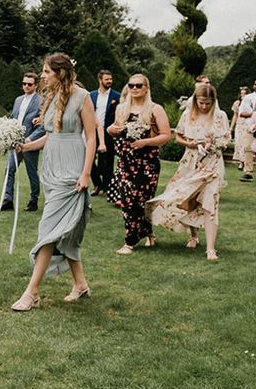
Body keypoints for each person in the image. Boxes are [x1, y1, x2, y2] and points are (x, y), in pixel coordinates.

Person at [10, 53, 97, 311]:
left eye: (46, 72)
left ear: (60, 72)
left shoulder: (82, 98)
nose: (42, 76)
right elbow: (50, 136)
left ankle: (32, 292)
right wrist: (25, 146)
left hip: (72, 171)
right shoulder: (48, 99)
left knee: (48, 230)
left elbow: (91, 138)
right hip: (51, 168)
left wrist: (85, 174)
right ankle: (80, 285)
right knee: (64, 230)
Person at [146, 84, 230, 261]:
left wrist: (213, 144)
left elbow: (226, 139)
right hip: (191, 162)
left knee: (210, 202)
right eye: (201, 103)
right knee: (189, 199)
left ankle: (210, 248)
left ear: (214, 102)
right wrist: (191, 144)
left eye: (208, 103)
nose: (204, 106)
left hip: (212, 164)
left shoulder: (220, 116)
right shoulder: (188, 114)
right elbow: (178, 136)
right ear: (196, 100)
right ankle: (194, 235)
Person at [109, 74, 171, 255]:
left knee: (141, 201)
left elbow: (166, 135)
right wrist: (110, 130)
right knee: (127, 201)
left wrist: (146, 142)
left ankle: (137, 238)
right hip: (126, 161)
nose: (134, 88)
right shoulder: (121, 108)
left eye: (138, 85)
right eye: (131, 85)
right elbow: (115, 128)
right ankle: (134, 239)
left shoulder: (155, 109)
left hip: (147, 162)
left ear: (146, 88)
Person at [0, 72, 44, 212]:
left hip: (29, 143)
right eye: (24, 83)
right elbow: (13, 118)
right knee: (9, 170)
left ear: (36, 85)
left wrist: (30, 139)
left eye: (29, 84)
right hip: (15, 143)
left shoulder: (41, 101)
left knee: (31, 172)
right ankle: (7, 200)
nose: (26, 86)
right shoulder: (18, 100)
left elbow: (44, 125)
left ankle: (34, 200)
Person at [89, 69, 120, 200]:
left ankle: (107, 187)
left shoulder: (116, 96)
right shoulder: (91, 95)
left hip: (109, 132)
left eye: (110, 79)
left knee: (108, 160)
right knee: (89, 159)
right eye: (107, 79)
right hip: (92, 131)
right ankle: (97, 184)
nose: (109, 81)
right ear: (100, 80)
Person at [237, 78, 256, 182]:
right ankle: (248, 172)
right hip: (250, 127)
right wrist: (254, 114)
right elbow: (241, 113)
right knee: (248, 148)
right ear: (253, 86)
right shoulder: (248, 98)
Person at [230, 87, 249, 170]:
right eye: (241, 93)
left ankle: (246, 162)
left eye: (244, 93)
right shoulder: (237, 103)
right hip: (239, 125)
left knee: (246, 144)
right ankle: (241, 162)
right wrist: (231, 127)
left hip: (247, 125)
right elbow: (235, 115)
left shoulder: (250, 103)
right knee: (239, 143)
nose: (243, 95)